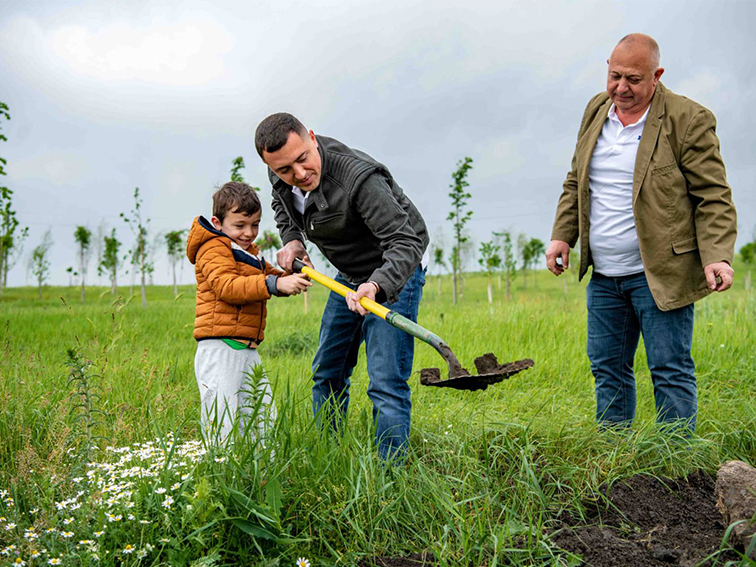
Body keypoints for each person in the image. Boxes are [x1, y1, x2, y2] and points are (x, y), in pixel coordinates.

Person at [545, 34, 737, 431]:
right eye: (614, 76)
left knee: (669, 369)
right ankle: (616, 460)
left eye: (633, 79)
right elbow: (576, 179)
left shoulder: (687, 119)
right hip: (605, 276)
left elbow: (713, 195)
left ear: (657, 76)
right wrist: (563, 234)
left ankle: (675, 465)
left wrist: (717, 255)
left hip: (660, 273)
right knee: (607, 368)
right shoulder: (597, 109)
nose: (620, 88)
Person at [254, 113, 429, 459]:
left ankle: (388, 477)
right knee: (327, 371)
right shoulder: (281, 172)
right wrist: (292, 240)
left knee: (385, 383)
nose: (299, 175)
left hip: (393, 272)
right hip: (348, 276)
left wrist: (376, 286)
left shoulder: (360, 180)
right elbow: (282, 204)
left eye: (303, 159)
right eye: (285, 170)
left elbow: (406, 242)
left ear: (313, 139)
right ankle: (329, 457)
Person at [186, 181, 311, 443]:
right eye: (240, 225)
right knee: (222, 420)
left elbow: (271, 276)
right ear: (217, 223)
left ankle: (263, 476)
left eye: (254, 224)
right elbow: (227, 287)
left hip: (247, 349)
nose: (249, 232)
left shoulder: (248, 252)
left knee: (263, 416)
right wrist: (276, 284)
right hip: (220, 349)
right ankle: (221, 475)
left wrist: (293, 273)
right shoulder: (212, 248)